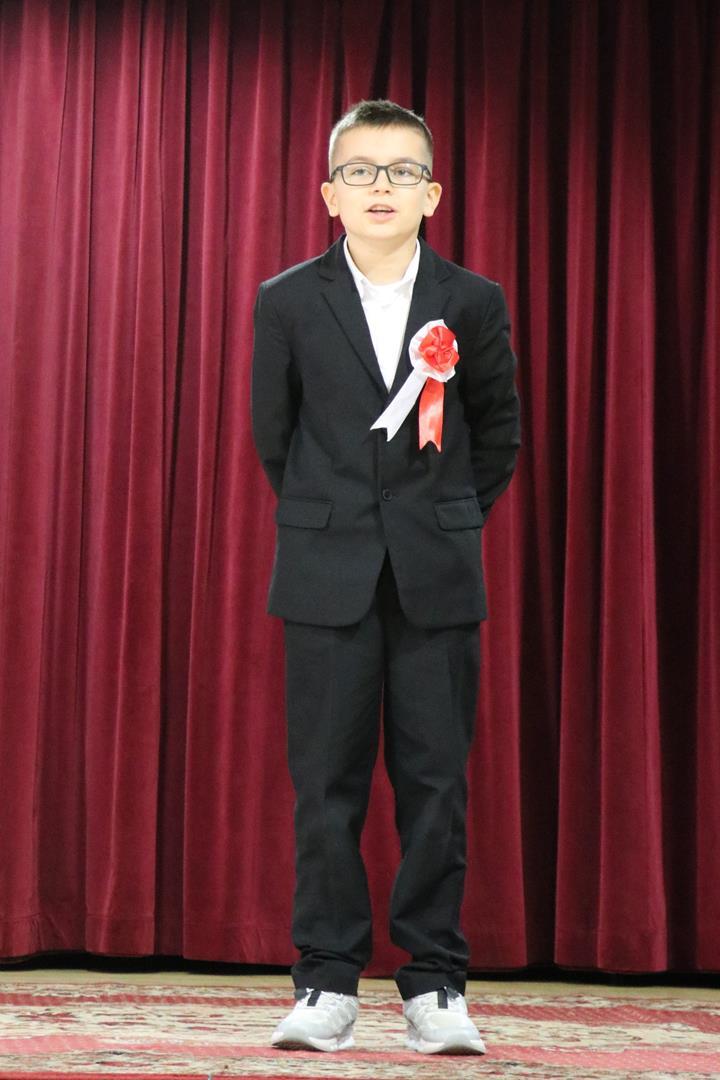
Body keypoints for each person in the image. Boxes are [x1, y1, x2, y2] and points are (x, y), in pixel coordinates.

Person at [251, 99, 520, 1055]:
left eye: (402, 171)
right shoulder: (287, 299)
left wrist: (438, 522)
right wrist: (340, 523)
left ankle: (436, 985)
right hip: (325, 575)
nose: (381, 187)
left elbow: (498, 435)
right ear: (330, 193)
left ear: (432, 194)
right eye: (360, 171)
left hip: (436, 577)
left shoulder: (473, 300)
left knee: (435, 784)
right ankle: (325, 981)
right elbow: (276, 438)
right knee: (325, 788)